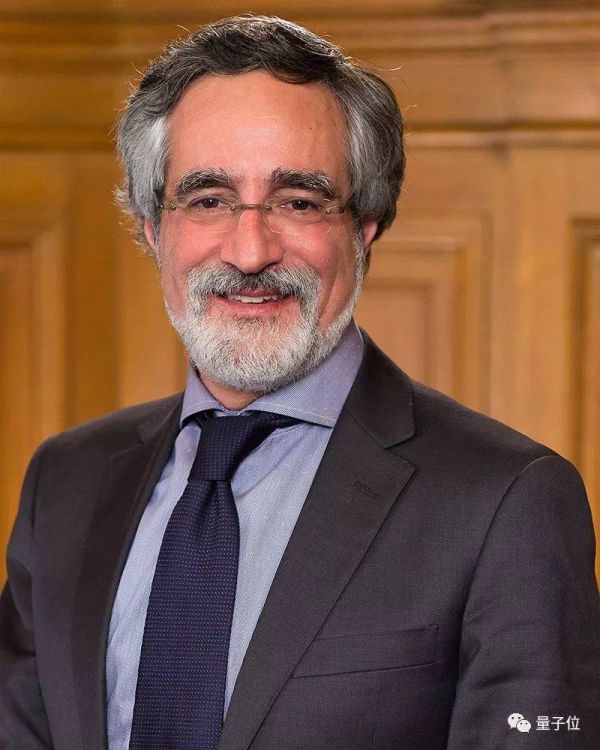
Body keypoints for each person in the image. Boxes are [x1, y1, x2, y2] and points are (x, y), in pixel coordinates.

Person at [1, 14, 599, 750]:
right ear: (155, 228)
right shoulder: (65, 481)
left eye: (299, 201)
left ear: (365, 228)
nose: (250, 252)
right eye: (209, 199)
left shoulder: (508, 500)